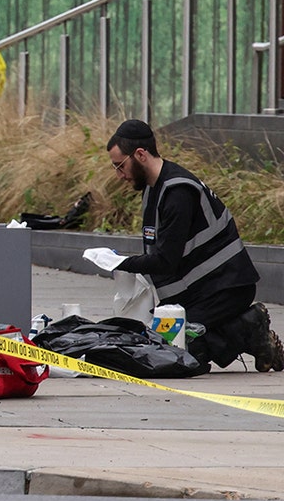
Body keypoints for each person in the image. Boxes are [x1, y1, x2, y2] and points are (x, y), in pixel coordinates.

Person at [105, 119, 283, 371]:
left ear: (140, 155)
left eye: (119, 165)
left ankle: (252, 326)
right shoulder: (154, 189)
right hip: (201, 291)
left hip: (226, 287)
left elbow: (165, 261)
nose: (119, 175)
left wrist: (118, 263)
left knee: (182, 357)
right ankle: (250, 337)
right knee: (163, 346)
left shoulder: (178, 192)